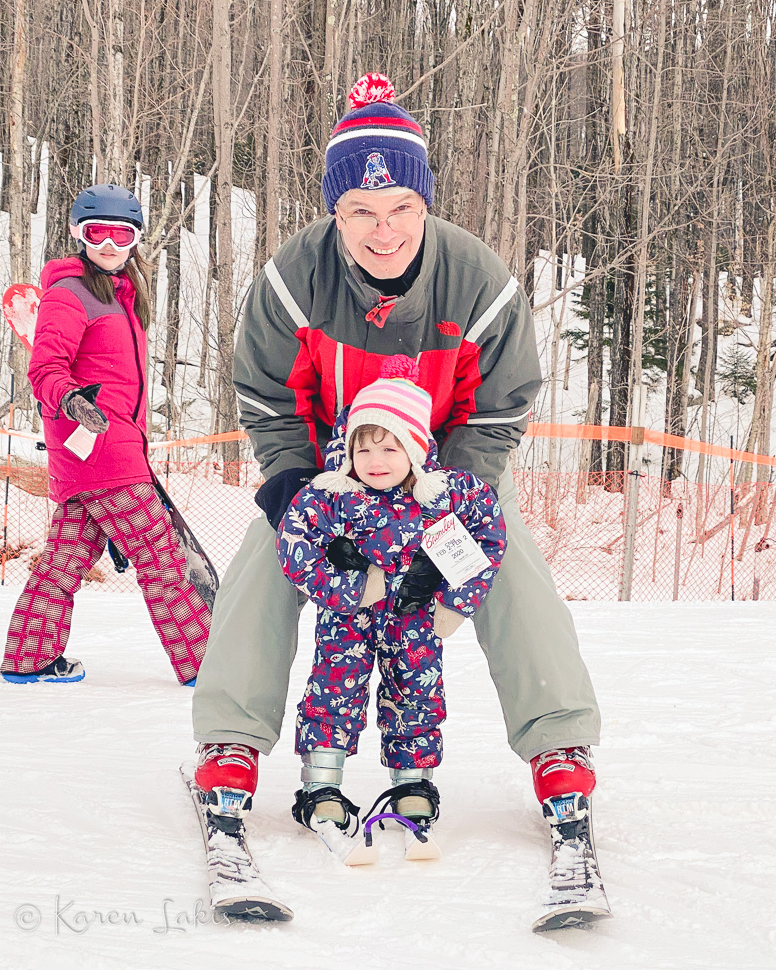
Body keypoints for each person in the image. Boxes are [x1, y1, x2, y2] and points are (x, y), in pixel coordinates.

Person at [193, 73, 600, 820]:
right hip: (334, 474)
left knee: (507, 567)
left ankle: (558, 743)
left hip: (448, 478)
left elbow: (500, 407)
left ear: (426, 203)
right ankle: (230, 740)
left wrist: (446, 508)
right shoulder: (291, 282)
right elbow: (267, 397)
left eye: (402, 208)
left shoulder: (481, 284)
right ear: (335, 213)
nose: (385, 230)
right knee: (263, 565)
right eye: (362, 211)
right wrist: (295, 489)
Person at [275, 358, 506, 835]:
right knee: (332, 691)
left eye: (389, 448)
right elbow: (295, 547)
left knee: (417, 694)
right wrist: (352, 587)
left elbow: (489, 536)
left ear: (418, 449)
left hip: (416, 619)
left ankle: (413, 783)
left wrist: (456, 601)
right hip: (347, 621)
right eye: (363, 449)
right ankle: (321, 785)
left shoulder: (447, 494)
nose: (374, 461)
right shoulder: (333, 495)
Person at [0, 184, 210, 685]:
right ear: (79, 234)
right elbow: (46, 367)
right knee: (160, 557)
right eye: (99, 233)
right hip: (104, 453)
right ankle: (207, 665)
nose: (110, 243)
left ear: (135, 238)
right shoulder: (69, 295)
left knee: (65, 559)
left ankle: (29, 658)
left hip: (93, 456)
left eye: (123, 233)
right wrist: (70, 399)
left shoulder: (116, 295)